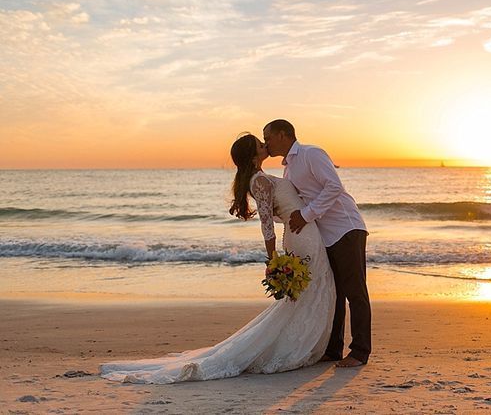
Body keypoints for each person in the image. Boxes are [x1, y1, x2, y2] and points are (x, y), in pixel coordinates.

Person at [99, 134, 335, 383]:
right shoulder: (261, 181)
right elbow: (266, 224)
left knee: (312, 291)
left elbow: (280, 210)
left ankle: (304, 345)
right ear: (253, 155)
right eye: (260, 144)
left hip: (302, 232)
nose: (265, 146)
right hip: (302, 237)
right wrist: (272, 261)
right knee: (309, 292)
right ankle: (293, 348)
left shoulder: (263, 178)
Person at [263, 119, 370, 368]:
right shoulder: (288, 169)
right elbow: (297, 207)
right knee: (335, 294)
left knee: (355, 292)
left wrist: (308, 215)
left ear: (282, 135)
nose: (265, 142)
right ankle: (333, 350)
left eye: (267, 137)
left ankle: (360, 352)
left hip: (346, 228)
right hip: (324, 236)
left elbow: (334, 187)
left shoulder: (311, 153)